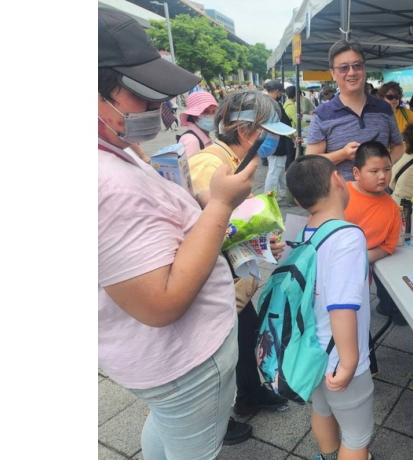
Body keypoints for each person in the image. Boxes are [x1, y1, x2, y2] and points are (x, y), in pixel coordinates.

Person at [98, 8, 256, 456]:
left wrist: (197, 207)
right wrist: (222, 205)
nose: (156, 110)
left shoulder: (111, 147)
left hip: (167, 364)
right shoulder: (102, 181)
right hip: (186, 364)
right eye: (141, 95)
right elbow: (160, 302)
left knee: (167, 429)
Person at [186, 89, 298, 430]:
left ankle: (250, 393)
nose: (269, 142)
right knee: (220, 351)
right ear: (247, 131)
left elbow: (236, 225)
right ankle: (219, 419)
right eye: (267, 133)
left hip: (233, 273)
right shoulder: (211, 164)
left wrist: (264, 241)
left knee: (246, 334)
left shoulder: (236, 162)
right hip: (214, 279)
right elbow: (211, 226)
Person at [285, 154, 374, 460]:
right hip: (339, 356)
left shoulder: (303, 232)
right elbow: (341, 306)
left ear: (298, 201)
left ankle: (327, 456)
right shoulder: (347, 236)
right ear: (338, 180)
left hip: (311, 351)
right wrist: (349, 363)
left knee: (322, 411)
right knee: (357, 435)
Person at [306, 39, 405, 182]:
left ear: (364, 69)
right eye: (344, 68)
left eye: (357, 66)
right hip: (340, 201)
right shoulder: (323, 115)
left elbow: (398, 145)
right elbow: (311, 163)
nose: (352, 73)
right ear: (333, 73)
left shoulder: (384, 109)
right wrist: (343, 154)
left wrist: (383, 165)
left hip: (379, 198)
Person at [344, 141, 403, 326]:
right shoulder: (340, 194)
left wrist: (359, 258)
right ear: (356, 173)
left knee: (354, 322)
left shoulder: (392, 208)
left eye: (387, 169)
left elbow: (387, 246)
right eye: (374, 171)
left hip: (359, 275)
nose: (382, 176)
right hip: (326, 269)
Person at [262, 80, 294, 199]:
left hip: (267, 140)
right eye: (281, 92)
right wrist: (293, 135)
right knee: (274, 171)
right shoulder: (275, 104)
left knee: (278, 169)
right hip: (277, 142)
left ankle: (283, 192)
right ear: (277, 91)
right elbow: (285, 122)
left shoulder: (264, 103)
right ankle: (268, 197)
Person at [177, 91, 218, 157]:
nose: (211, 116)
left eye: (214, 112)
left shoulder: (202, 136)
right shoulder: (192, 140)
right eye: (206, 112)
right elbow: (190, 166)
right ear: (193, 115)